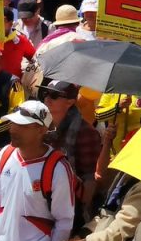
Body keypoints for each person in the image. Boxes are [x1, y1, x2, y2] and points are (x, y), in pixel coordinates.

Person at [0, 101, 75, 241]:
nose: (12, 129)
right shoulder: (5, 154)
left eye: (21, 125)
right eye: (13, 123)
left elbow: (64, 220)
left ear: (41, 130)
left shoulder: (57, 168)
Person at [40, 80, 102, 228]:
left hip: (71, 207)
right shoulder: (40, 126)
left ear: (70, 102)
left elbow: (90, 177)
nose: (47, 98)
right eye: (45, 93)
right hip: (41, 199)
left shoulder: (86, 132)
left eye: (54, 95)